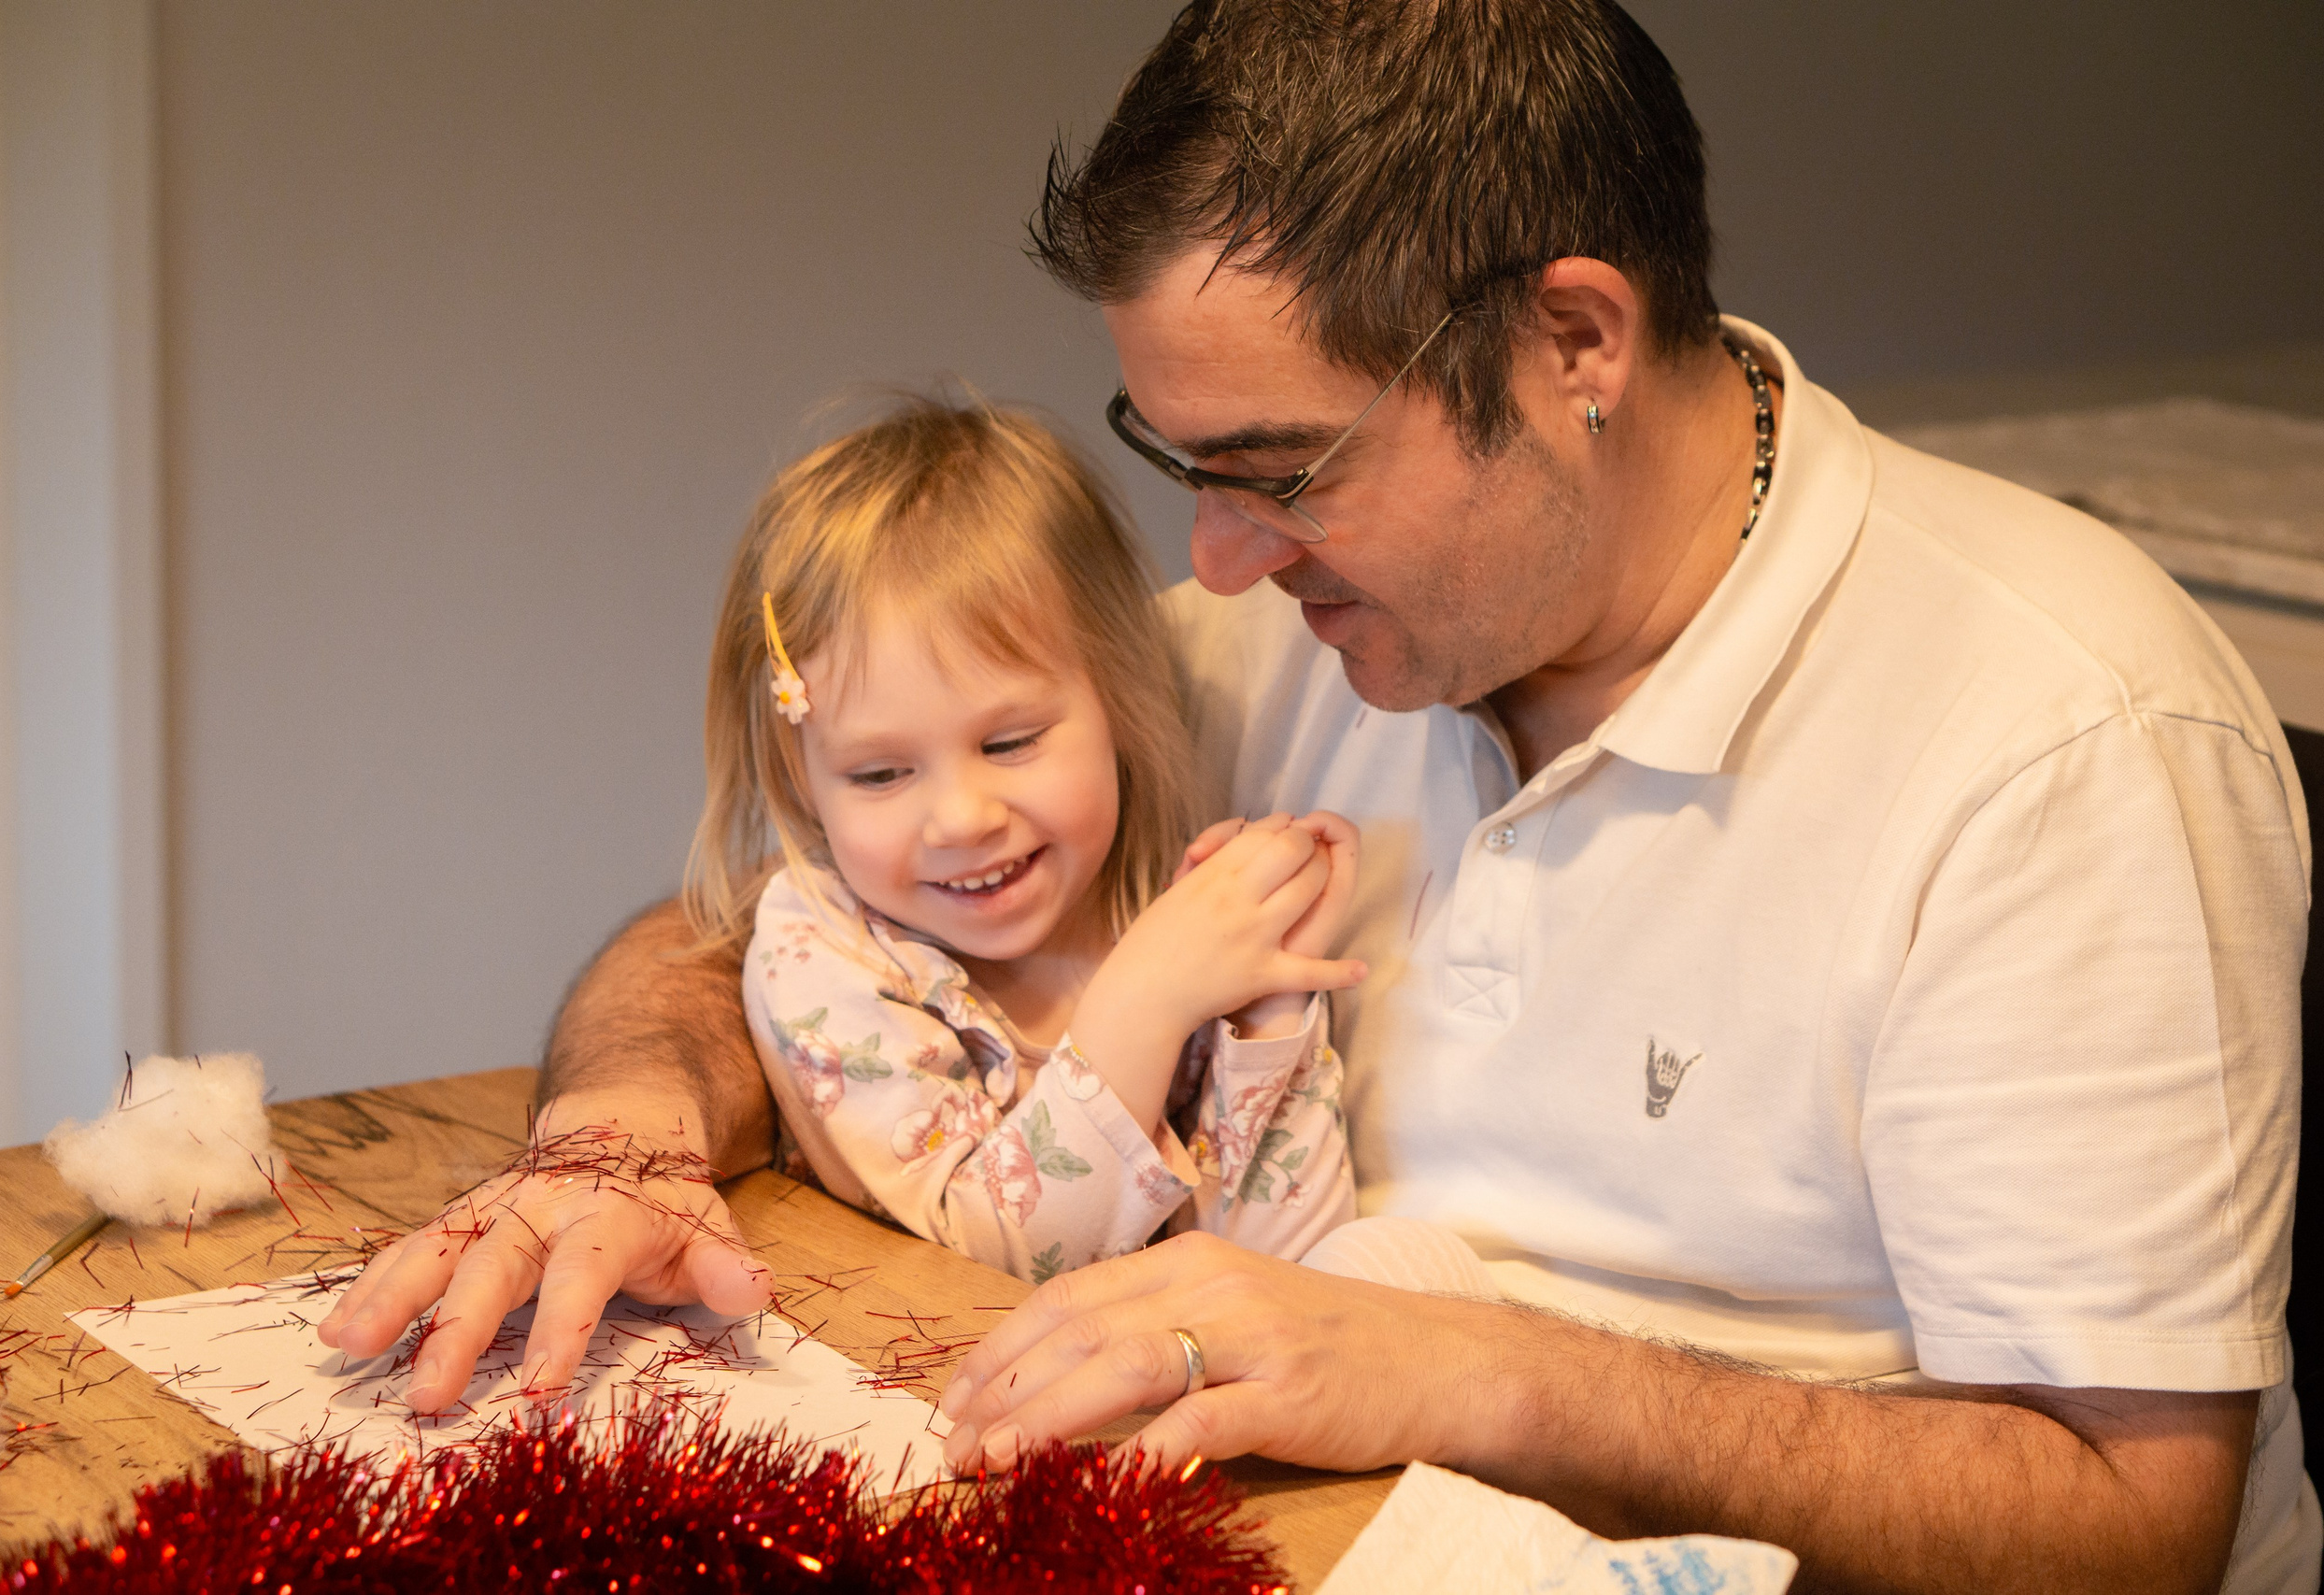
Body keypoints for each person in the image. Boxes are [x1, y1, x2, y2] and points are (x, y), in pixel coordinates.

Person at [321, 2, 2311, 1589]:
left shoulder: (2057, 736)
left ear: (1571, 343)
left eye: (1279, 464)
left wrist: (1480, 1373)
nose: (1210, 564)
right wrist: (624, 1125)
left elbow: (2126, 1524)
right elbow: (755, 918)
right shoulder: (1306, 635)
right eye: (1172, 457)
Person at [693, 399, 1365, 1282]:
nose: (962, 818)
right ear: (800, 781)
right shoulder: (824, 952)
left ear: (1117, 700)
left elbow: (1287, 1286)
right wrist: (1147, 1001)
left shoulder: (1161, 899)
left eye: (1009, 743)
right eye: (880, 774)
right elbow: (988, 1266)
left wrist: (1266, 1012)